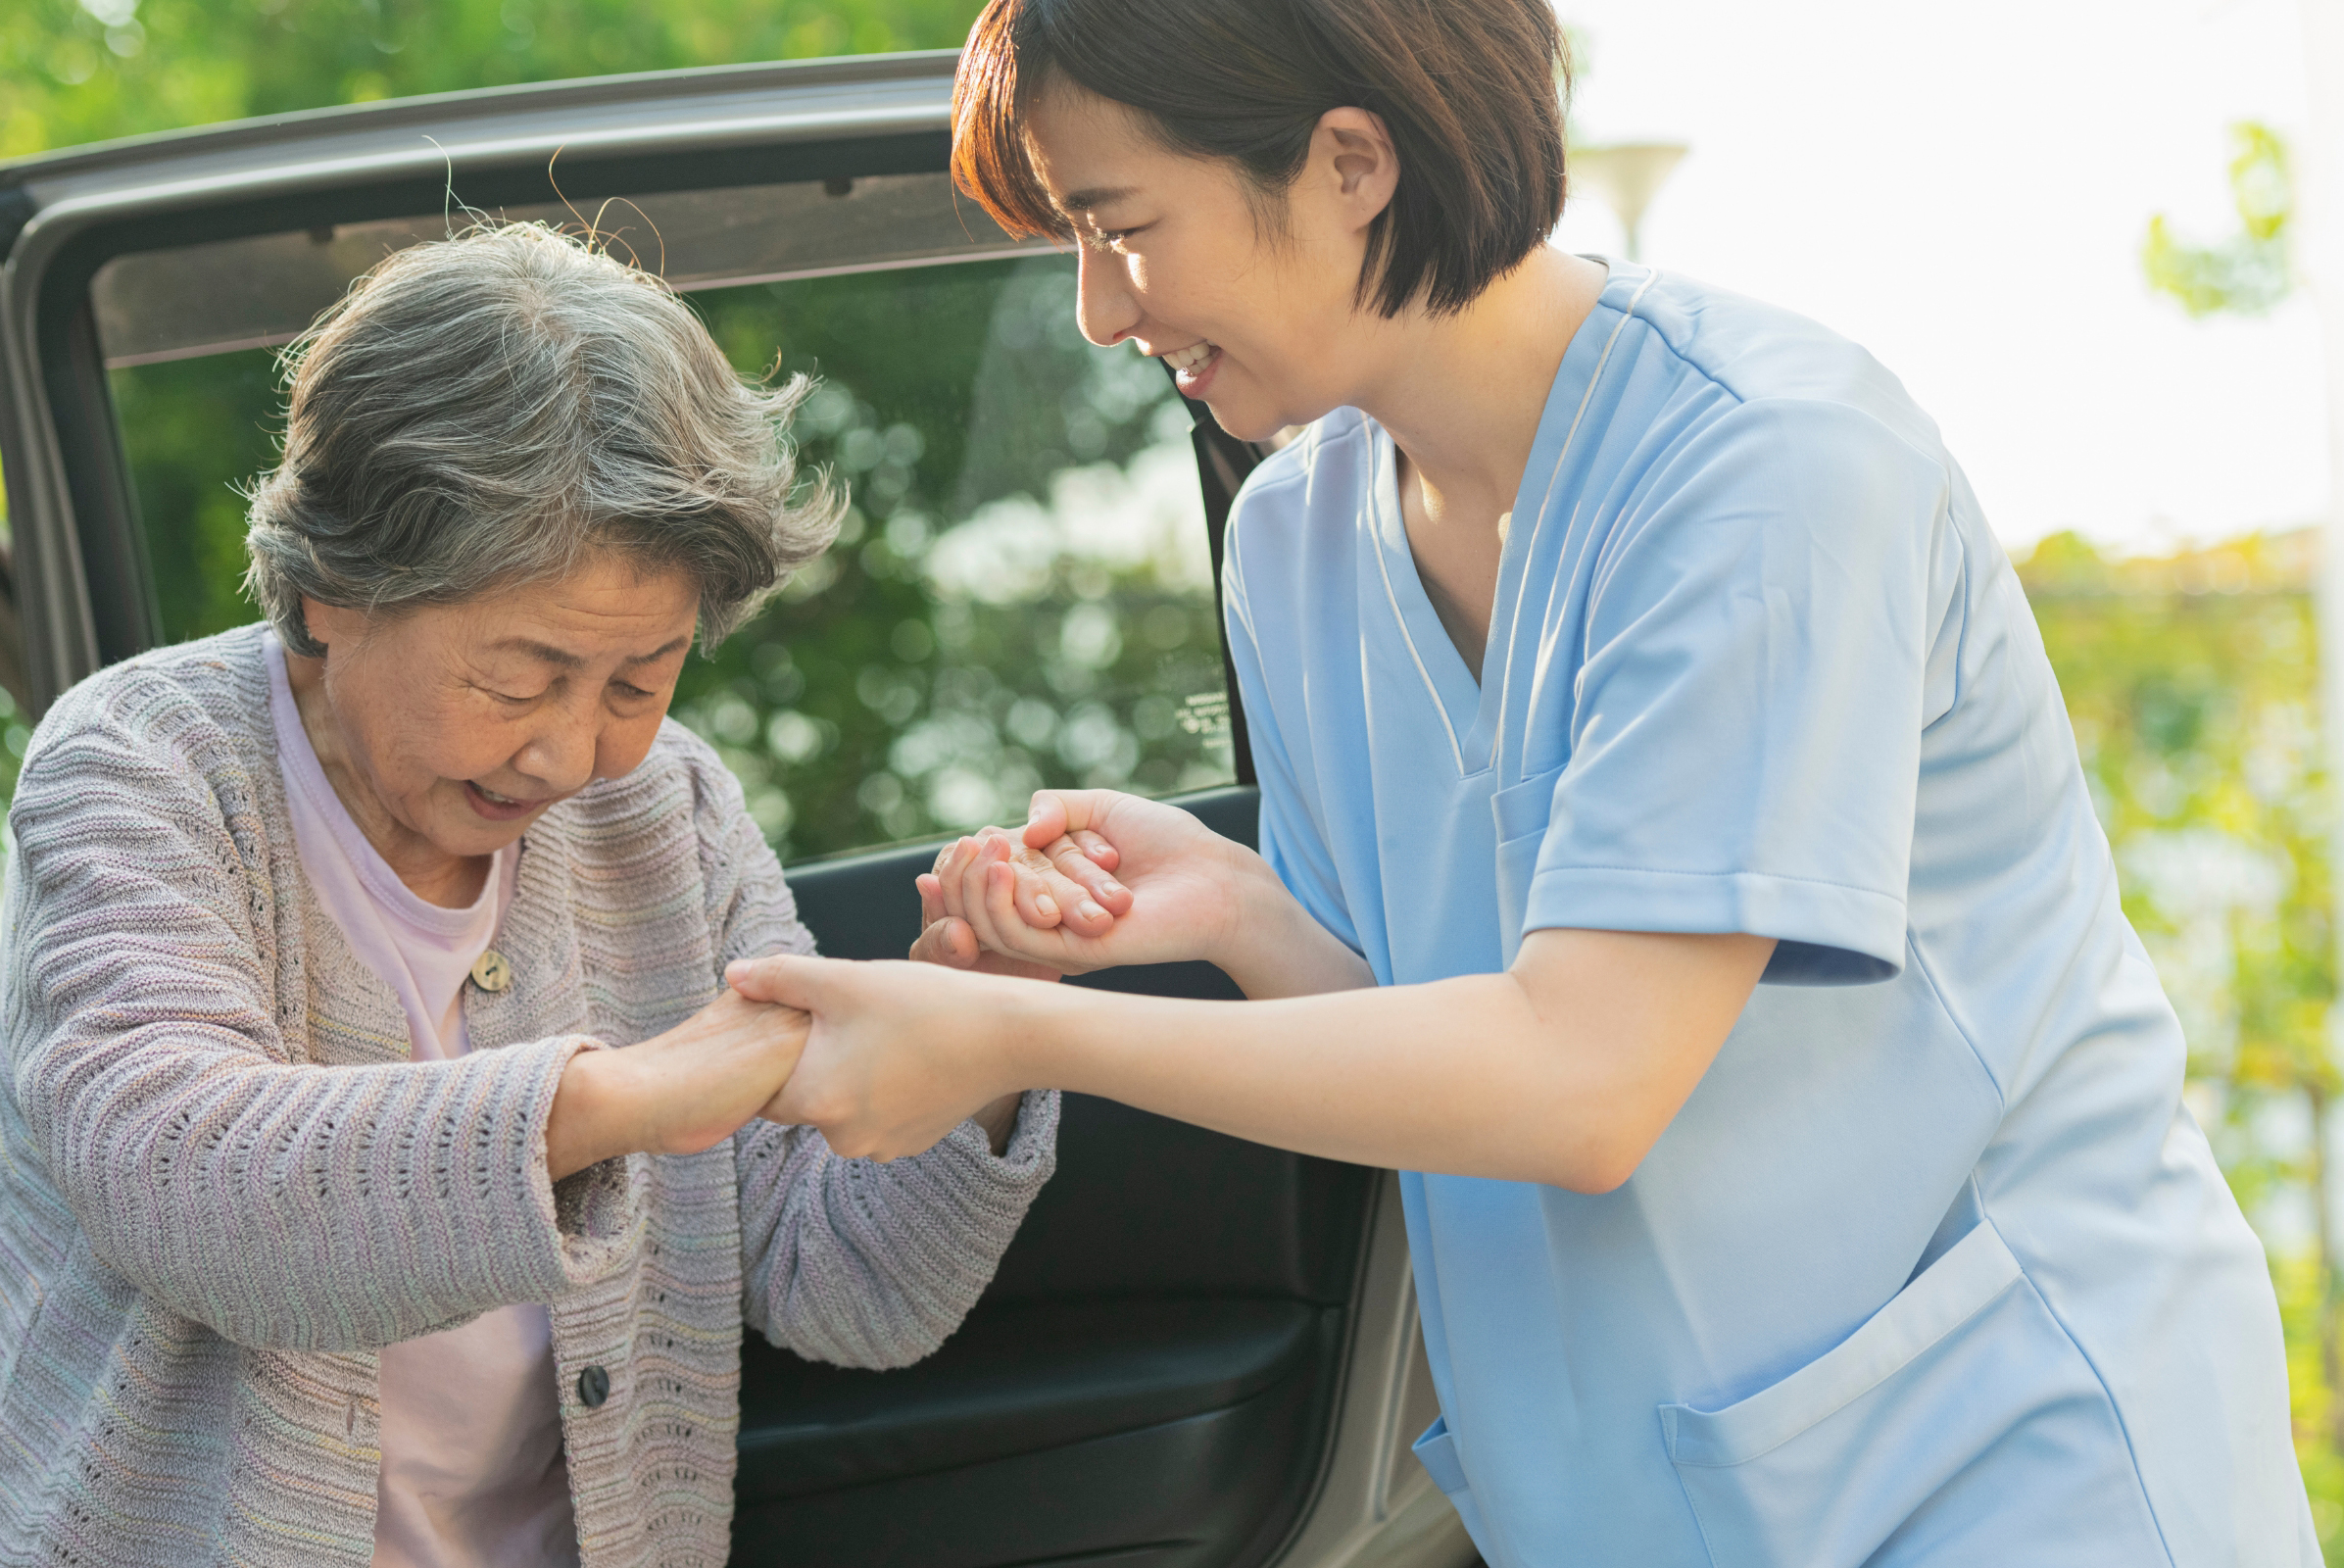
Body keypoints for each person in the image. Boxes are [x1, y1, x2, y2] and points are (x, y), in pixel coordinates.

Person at [722, 1, 2315, 1563]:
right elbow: (1429, 1045)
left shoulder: (1767, 470)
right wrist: (1237, 911)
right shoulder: (1293, 538)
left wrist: (1005, 1034)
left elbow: (1581, 1082)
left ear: (1349, 164)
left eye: (1118, 227)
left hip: (2003, 1463)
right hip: (1641, 1500)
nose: (1093, 310)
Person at [0, 223, 1057, 1568]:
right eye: (515, 680)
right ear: (331, 588)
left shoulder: (665, 809)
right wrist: (632, 1095)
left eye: (638, 681)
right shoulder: (143, 764)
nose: (570, 755)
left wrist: (986, 1028)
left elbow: (855, 1292)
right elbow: (183, 1187)